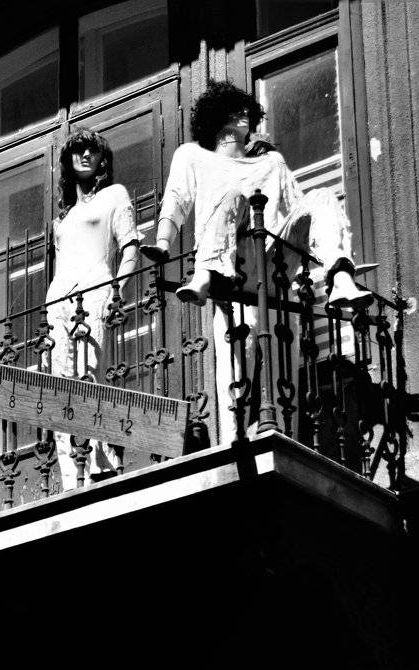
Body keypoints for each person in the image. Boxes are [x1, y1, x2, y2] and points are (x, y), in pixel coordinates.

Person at [144, 80, 373, 436]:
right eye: (235, 109)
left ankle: (341, 278)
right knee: (235, 388)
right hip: (231, 270)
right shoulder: (194, 156)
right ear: (216, 117)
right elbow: (176, 199)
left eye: (247, 110)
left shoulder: (272, 162)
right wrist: (162, 242)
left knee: (323, 197)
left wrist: (325, 256)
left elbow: (299, 211)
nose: (244, 114)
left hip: (273, 264)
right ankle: (205, 274)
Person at [44, 128, 140, 489]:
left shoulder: (114, 195)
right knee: (58, 383)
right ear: (68, 160)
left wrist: (117, 292)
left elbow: (130, 248)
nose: (85, 155)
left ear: (102, 159)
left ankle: (98, 461)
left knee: (87, 374)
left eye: (92, 150)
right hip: (59, 297)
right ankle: (72, 476)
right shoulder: (63, 217)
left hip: (95, 289)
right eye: (78, 149)